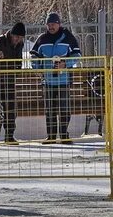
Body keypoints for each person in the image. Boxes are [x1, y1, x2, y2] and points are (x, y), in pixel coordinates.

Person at [31, 13, 81, 144]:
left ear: (59, 24)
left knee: (64, 109)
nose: (51, 26)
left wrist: (66, 63)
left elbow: (77, 54)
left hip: (64, 80)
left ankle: (64, 135)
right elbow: (34, 56)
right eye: (48, 24)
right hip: (47, 81)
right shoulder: (42, 39)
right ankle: (51, 136)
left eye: (53, 24)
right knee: (50, 110)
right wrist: (37, 68)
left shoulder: (68, 37)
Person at [0, 22, 25, 144]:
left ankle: (9, 136)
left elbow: (18, 60)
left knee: (10, 108)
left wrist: (17, 70)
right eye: (16, 37)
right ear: (11, 34)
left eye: (20, 37)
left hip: (9, 80)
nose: (17, 39)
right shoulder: (1, 40)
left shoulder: (20, 45)